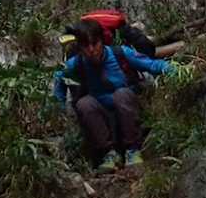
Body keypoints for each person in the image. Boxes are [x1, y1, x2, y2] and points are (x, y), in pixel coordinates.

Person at [51, 18, 175, 171]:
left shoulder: (120, 53)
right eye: (86, 46)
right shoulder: (75, 64)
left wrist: (176, 70)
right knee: (84, 103)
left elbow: (152, 65)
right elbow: (59, 82)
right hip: (100, 115)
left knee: (122, 94)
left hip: (128, 109)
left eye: (94, 43)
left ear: (101, 41)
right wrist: (58, 110)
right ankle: (109, 154)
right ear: (80, 47)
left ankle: (132, 150)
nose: (91, 49)